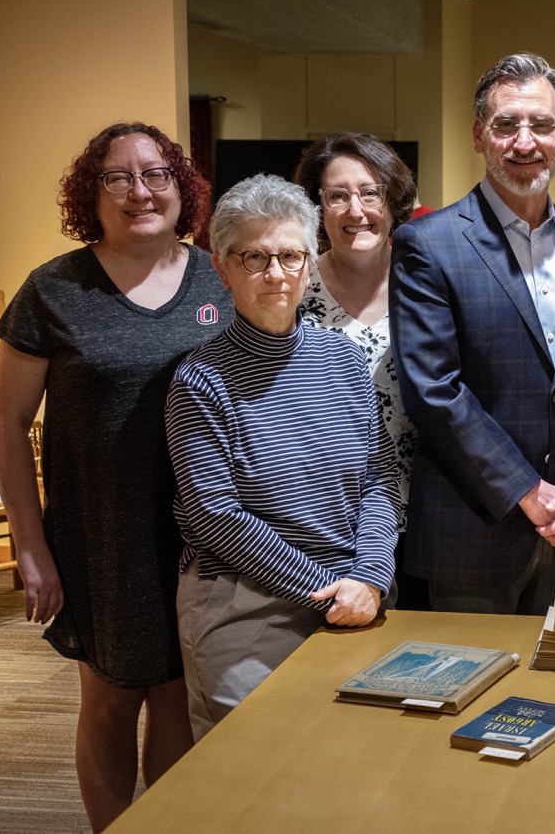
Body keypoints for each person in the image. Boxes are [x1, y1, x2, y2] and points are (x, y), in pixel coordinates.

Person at [0, 121, 230, 831]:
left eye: (157, 174)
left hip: (202, 530)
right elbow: (5, 423)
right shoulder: (54, 290)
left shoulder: (218, 275)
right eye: (118, 177)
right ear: (89, 192)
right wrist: (32, 549)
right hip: (99, 534)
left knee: (175, 693)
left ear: (181, 187)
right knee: (108, 698)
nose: (140, 191)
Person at [389, 52, 555, 615]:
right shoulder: (428, 246)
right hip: (475, 535)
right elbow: (433, 391)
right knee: (468, 700)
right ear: (480, 135)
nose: (524, 141)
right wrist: (528, 492)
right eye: (506, 124)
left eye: (541, 124)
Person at [166, 174, 397, 739]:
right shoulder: (199, 381)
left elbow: (380, 479)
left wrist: (369, 577)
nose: (276, 274)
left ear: (309, 263)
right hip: (245, 606)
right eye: (254, 257)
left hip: (352, 594)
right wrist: (324, 589)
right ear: (222, 269)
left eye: (291, 255)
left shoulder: (342, 359)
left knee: (359, 761)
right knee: (258, 773)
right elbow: (212, 515)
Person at [293, 133, 422, 608]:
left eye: (371, 193)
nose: (356, 210)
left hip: (429, 510)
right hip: (329, 517)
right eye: (337, 196)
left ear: (393, 201)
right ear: (317, 206)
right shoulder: (292, 287)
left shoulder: (427, 282)